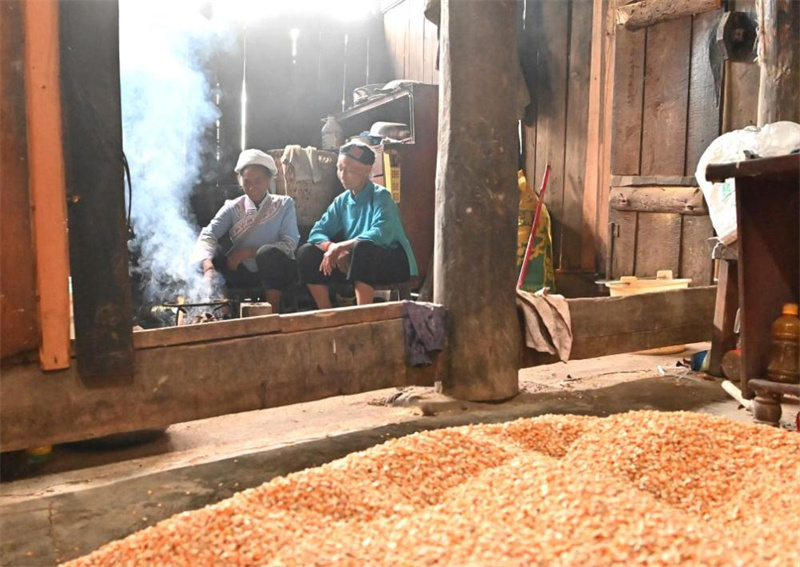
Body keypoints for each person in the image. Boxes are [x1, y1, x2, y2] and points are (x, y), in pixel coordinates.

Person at [297, 143, 418, 308]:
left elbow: (381, 234)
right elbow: (317, 233)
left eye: (350, 171)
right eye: (339, 168)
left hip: (392, 260)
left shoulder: (381, 196)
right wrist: (332, 247)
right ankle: (327, 313)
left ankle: (362, 313)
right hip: (353, 261)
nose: (343, 175)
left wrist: (341, 247)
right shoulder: (341, 201)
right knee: (307, 252)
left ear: (367, 170)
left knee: (363, 248)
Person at [193, 149, 299, 311]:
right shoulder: (232, 207)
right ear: (240, 180)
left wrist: (248, 252)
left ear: (269, 180)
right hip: (242, 271)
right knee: (213, 256)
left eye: (258, 181)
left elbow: (290, 244)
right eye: (247, 181)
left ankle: (272, 314)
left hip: (276, 272)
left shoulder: (284, 204)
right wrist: (208, 268)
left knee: (267, 254)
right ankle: (222, 312)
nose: (252, 187)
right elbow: (208, 234)